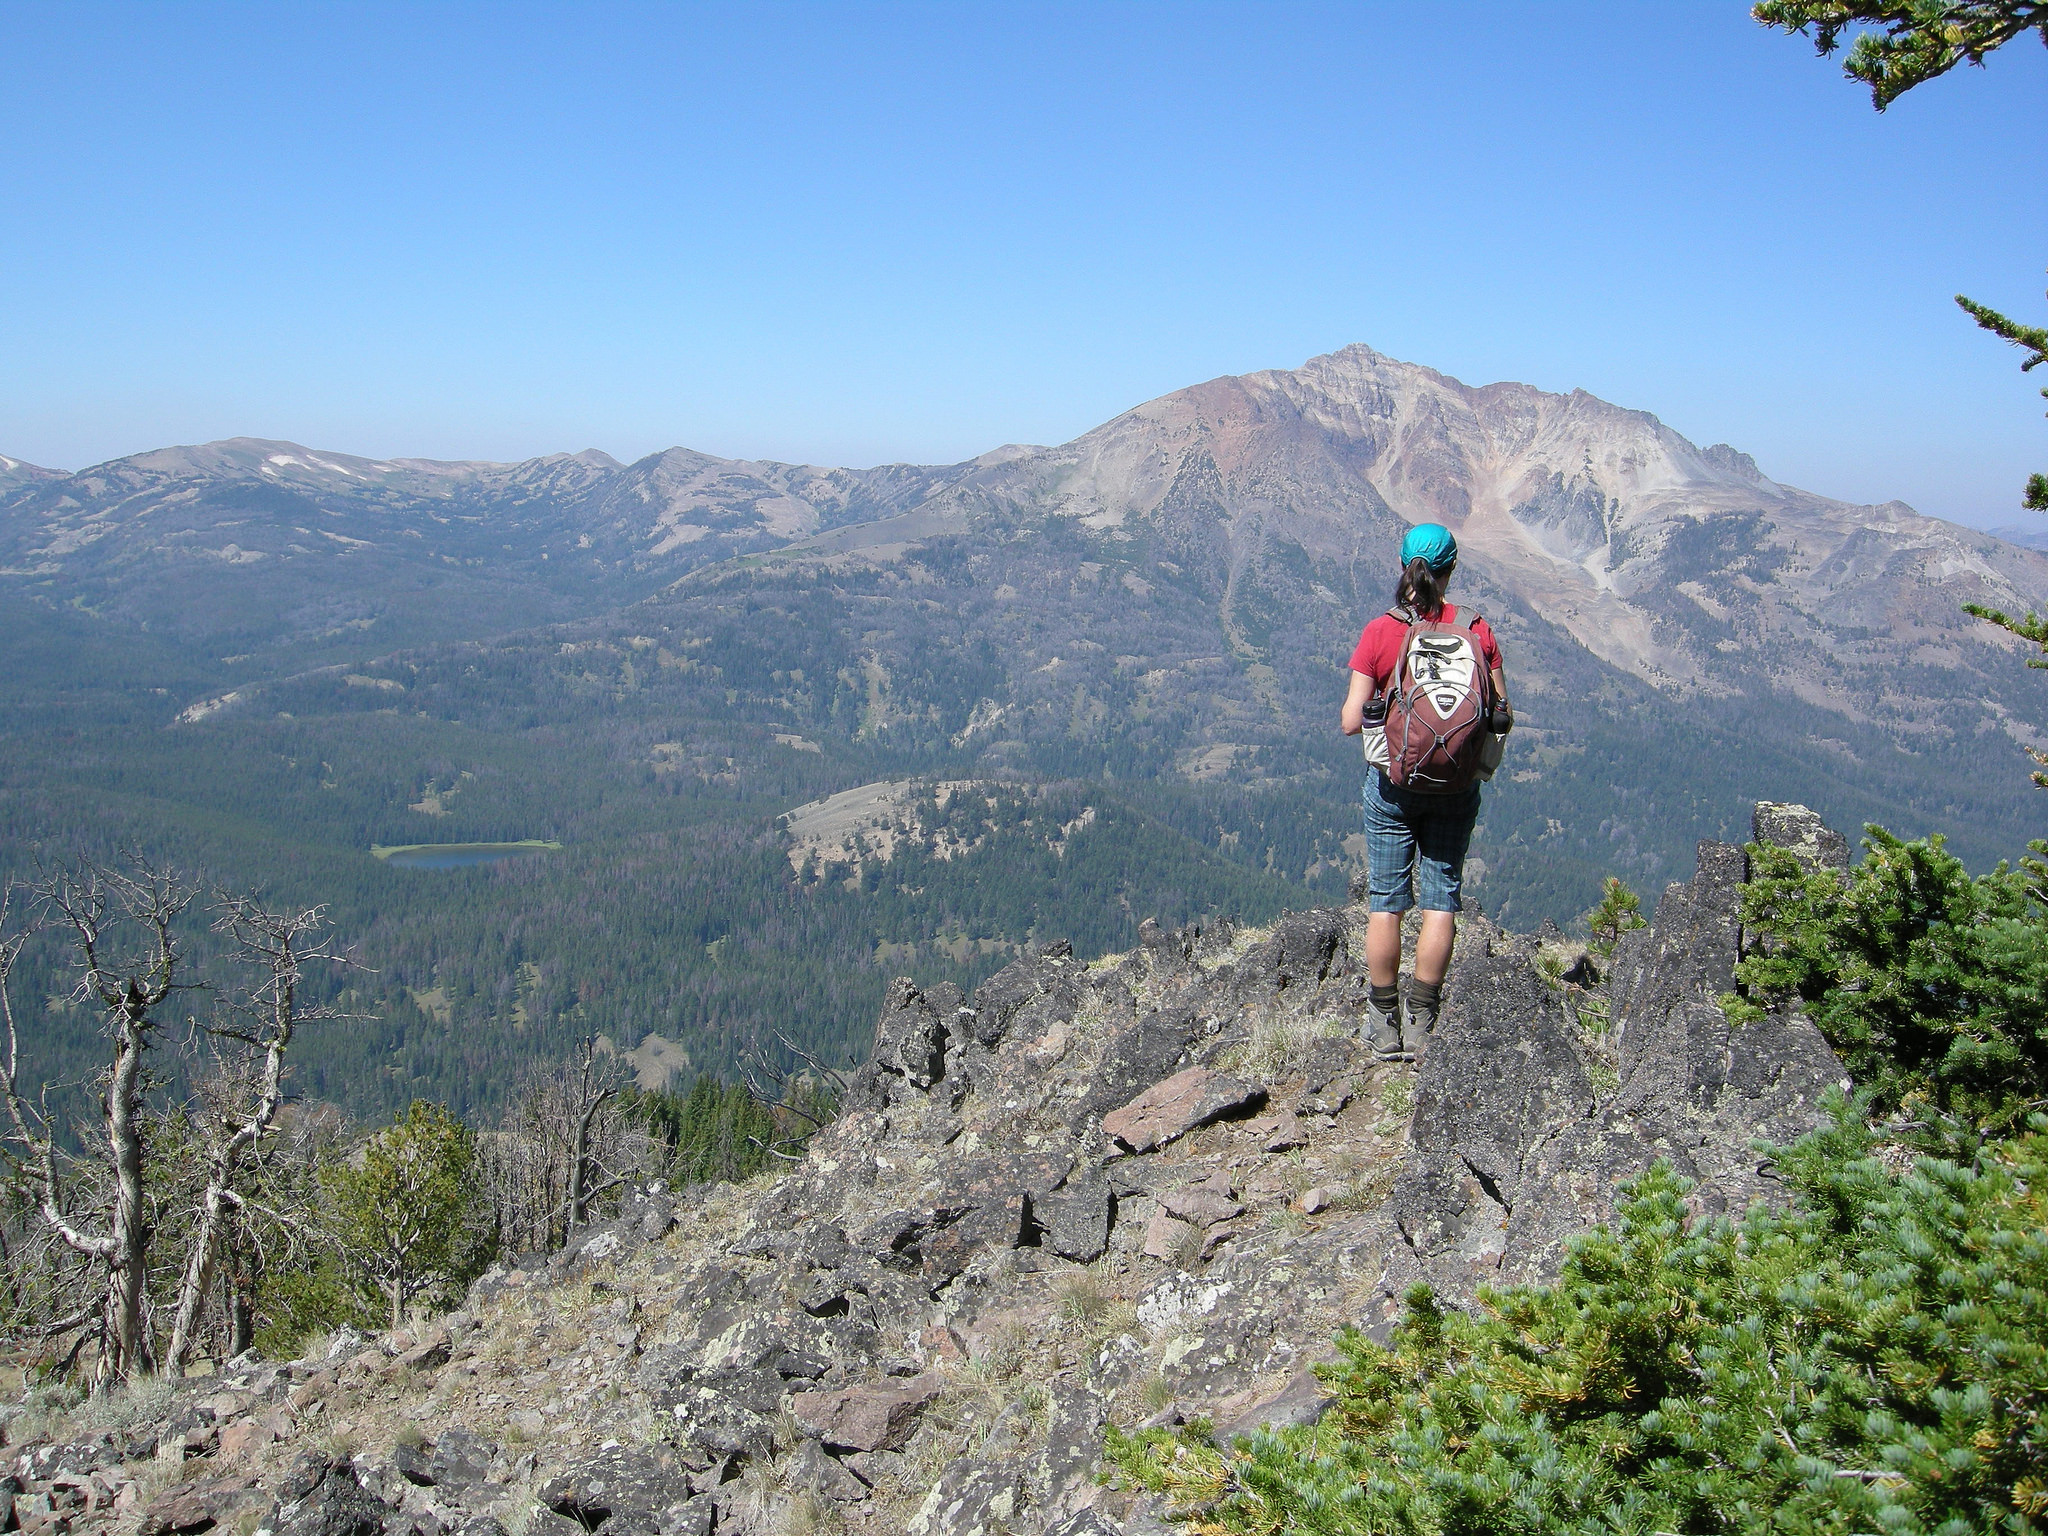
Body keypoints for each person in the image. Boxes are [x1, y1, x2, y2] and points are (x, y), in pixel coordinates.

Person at [1339, 522, 1510, 1058]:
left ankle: (1382, 1021)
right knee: (1441, 900)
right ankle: (1422, 1021)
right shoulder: (1477, 632)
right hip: (1456, 787)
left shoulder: (1381, 632)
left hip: (1392, 786)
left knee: (1386, 901)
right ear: (1452, 569)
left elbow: (1349, 721)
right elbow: (1500, 715)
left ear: (1403, 566)